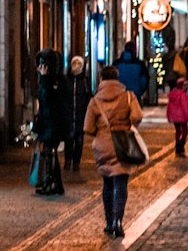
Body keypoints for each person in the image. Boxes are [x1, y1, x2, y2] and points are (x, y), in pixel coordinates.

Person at [82, 64, 144, 239]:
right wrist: (128, 125)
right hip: (122, 143)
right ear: (117, 78)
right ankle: (118, 220)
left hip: (102, 145)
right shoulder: (128, 96)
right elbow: (137, 116)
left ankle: (109, 222)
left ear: (102, 79)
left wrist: (100, 132)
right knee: (121, 183)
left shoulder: (95, 100)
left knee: (107, 183)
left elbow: (87, 127)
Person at [33, 48, 70, 196]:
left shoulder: (57, 81)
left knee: (49, 152)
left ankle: (50, 182)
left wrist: (44, 78)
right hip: (47, 121)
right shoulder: (49, 80)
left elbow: (49, 98)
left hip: (54, 122)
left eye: (44, 64)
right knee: (49, 152)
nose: (42, 68)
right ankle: (56, 183)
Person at [64, 54, 92, 175]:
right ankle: (67, 161)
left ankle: (76, 162)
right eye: (74, 63)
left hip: (81, 116)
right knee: (69, 139)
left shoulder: (85, 81)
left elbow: (89, 98)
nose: (76, 66)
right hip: (69, 116)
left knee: (79, 141)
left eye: (79, 64)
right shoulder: (67, 80)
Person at [166, 75, 188, 156]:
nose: (186, 87)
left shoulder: (172, 94)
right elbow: (185, 107)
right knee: (185, 132)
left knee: (178, 131)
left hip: (174, 117)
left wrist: (168, 116)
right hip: (182, 117)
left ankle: (178, 146)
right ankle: (180, 146)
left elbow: (169, 106)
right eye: (185, 85)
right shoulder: (182, 94)